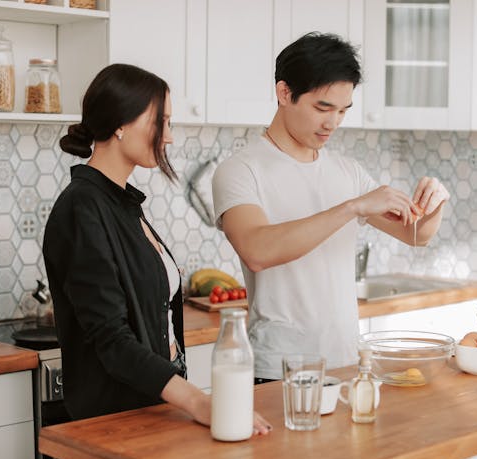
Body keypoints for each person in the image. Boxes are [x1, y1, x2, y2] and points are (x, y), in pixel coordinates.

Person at [43, 63, 271, 434]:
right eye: (160, 122)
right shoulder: (82, 208)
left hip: (150, 407)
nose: (169, 137)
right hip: (115, 421)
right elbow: (112, 339)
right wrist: (199, 402)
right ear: (121, 123)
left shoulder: (121, 204)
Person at [212, 33, 451, 381]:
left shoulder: (347, 171)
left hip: (347, 362)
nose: (333, 123)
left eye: (342, 111)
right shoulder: (241, 169)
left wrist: (437, 200)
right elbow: (257, 250)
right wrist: (352, 208)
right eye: (322, 108)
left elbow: (417, 234)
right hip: (279, 369)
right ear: (284, 93)